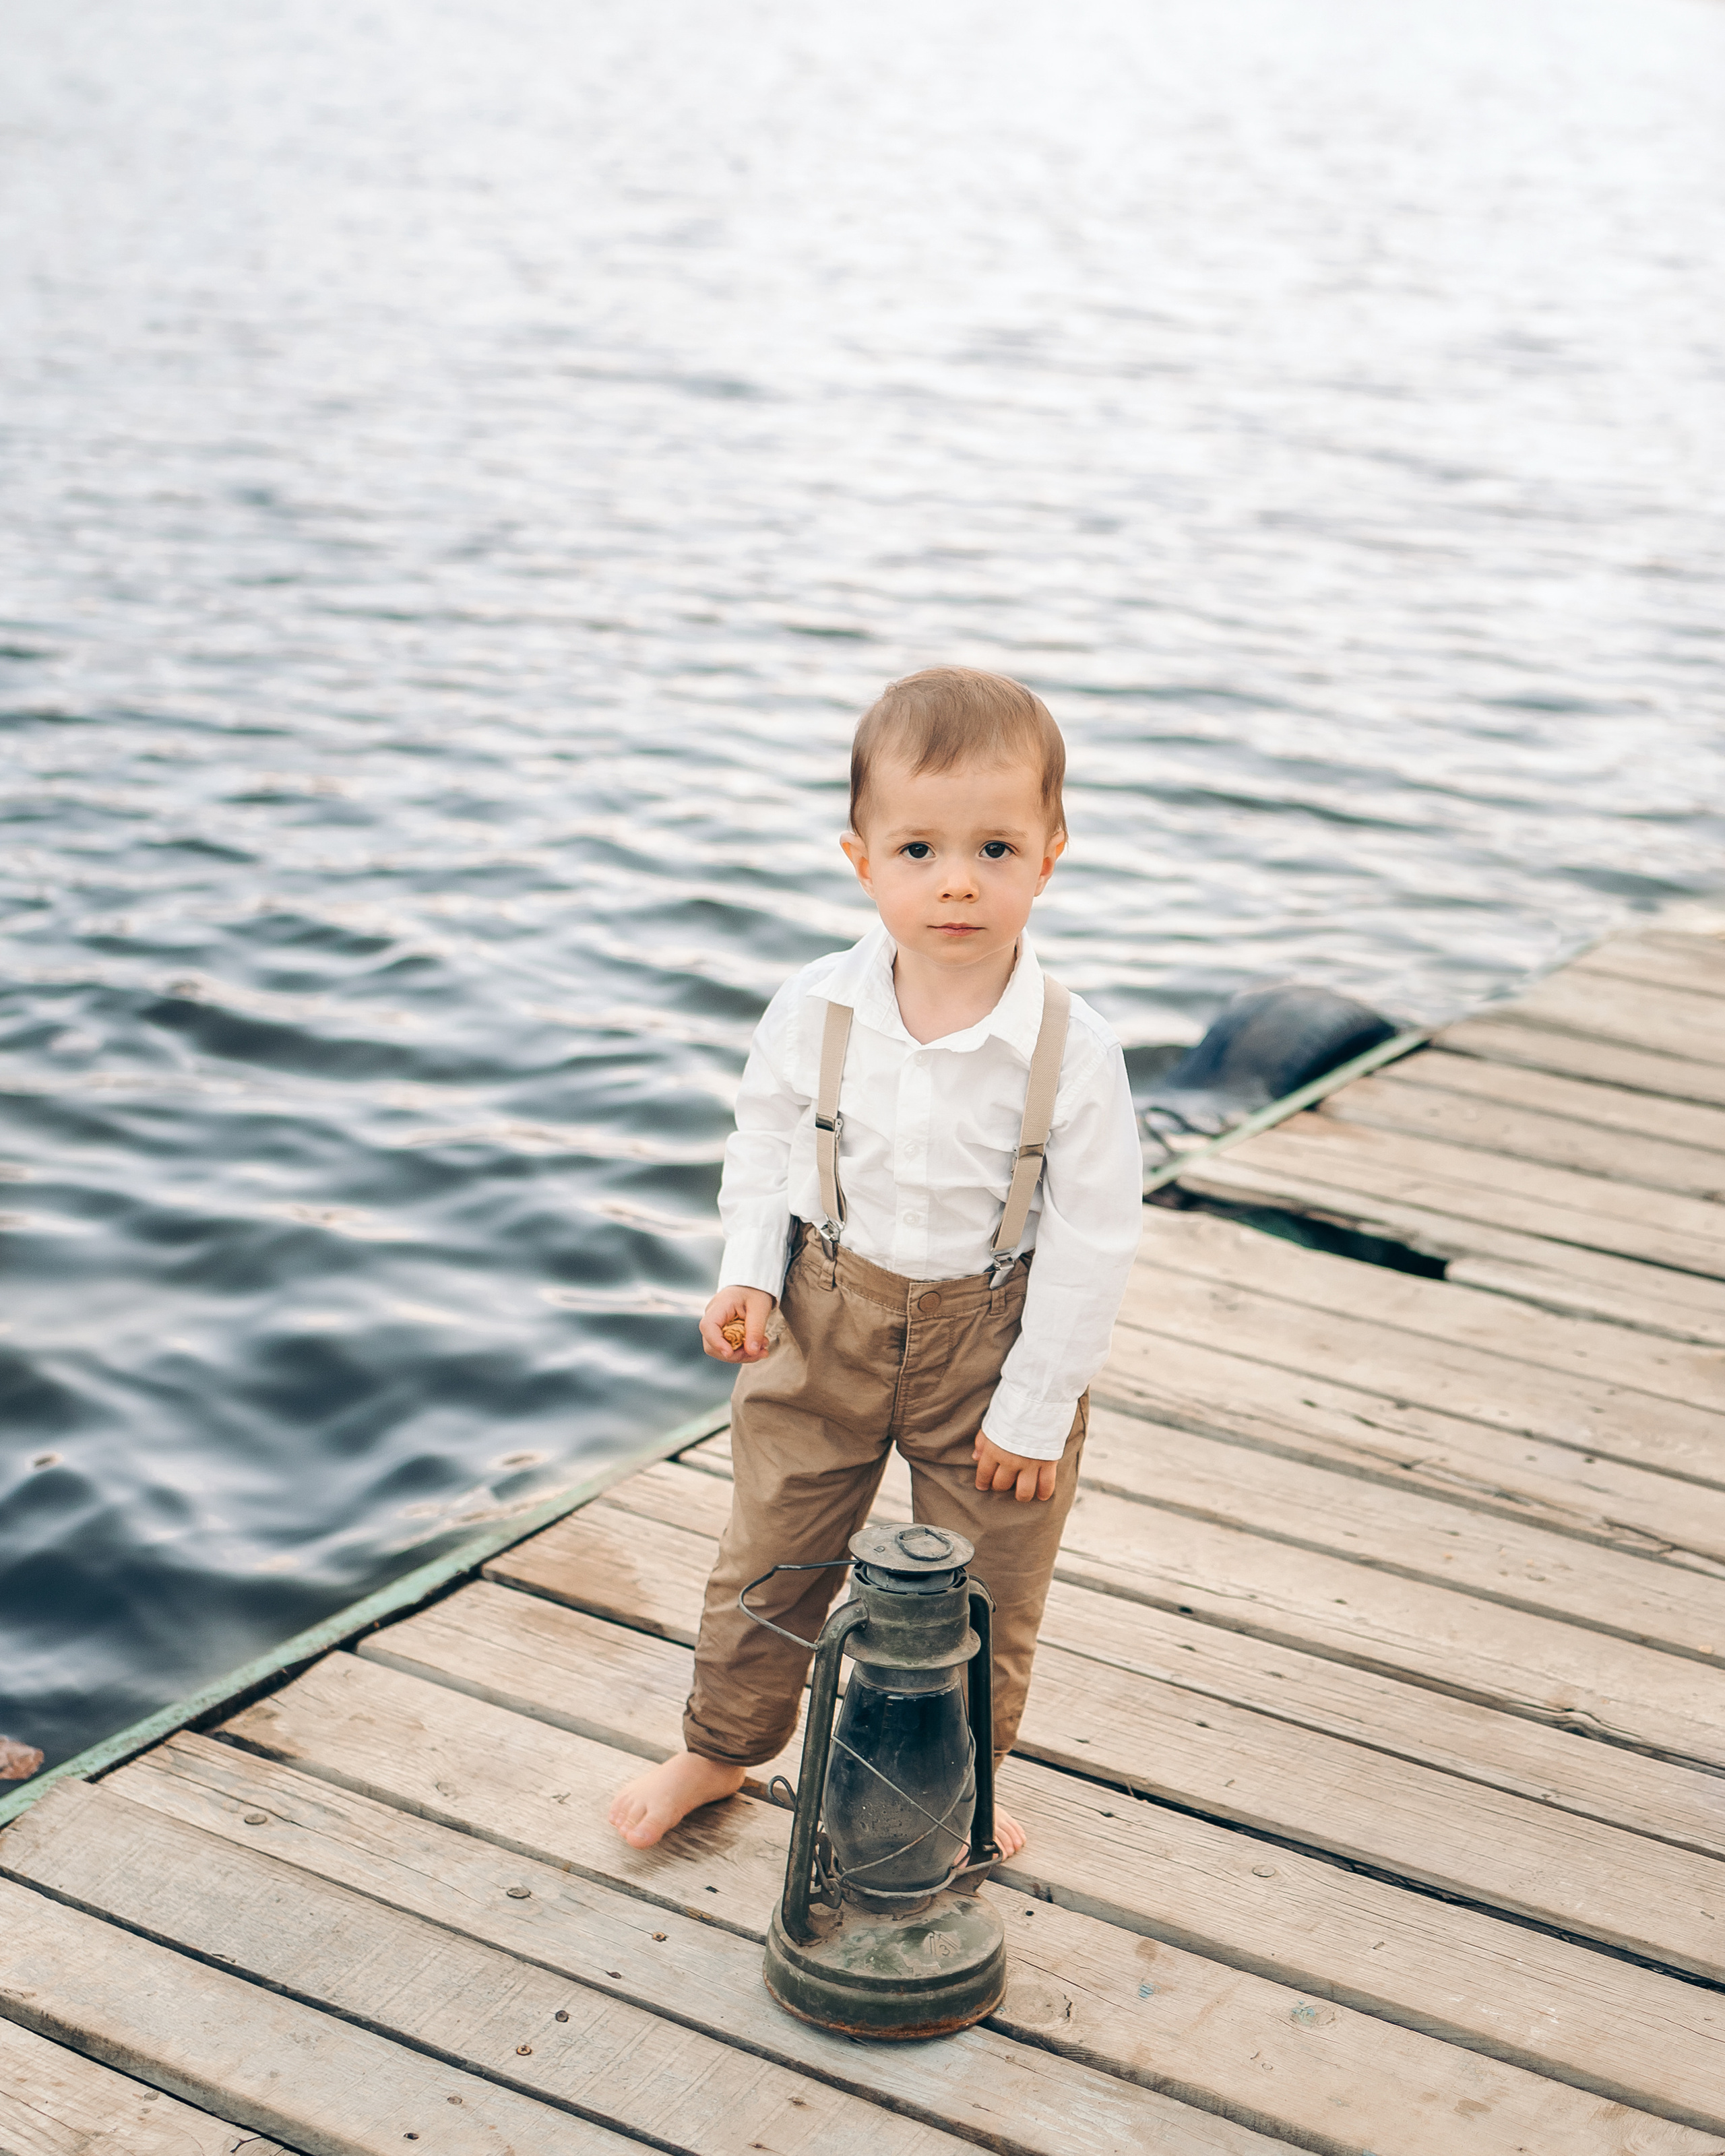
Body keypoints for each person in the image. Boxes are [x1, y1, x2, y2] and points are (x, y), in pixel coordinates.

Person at [608, 666, 1143, 1856]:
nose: (957, 880)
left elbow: (1097, 1236)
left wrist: (1038, 1406)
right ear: (862, 860)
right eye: (919, 851)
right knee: (772, 1547)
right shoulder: (816, 1007)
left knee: (981, 1593)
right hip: (826, 1314)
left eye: (996, 849)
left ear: (1051, 856)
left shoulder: (1074, 1050)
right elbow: (765, 1141)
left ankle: (950, 1793)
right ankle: (721, 1747)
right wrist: (747, 1270)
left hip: (991, 1347)